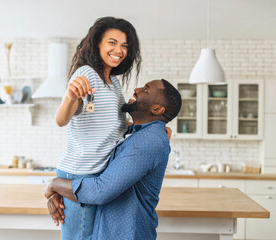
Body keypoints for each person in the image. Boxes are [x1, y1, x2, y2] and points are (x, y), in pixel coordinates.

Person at [46, 79, 182, 240]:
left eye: (145, 89)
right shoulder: (142, 135)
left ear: (157, 109)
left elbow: (101, 191)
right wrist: (59, 191)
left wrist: (54, 185)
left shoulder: (149, 140)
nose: (137, 90)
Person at [53, 16, 141, 240]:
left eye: (124, 46)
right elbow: (62, 119)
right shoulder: (86, 74)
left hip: (96, 176)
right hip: (81, 173)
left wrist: (152, 129)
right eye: (112, 42)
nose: (119, 50)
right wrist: (71, 96)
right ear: (98, 44)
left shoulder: (113, 82)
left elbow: (116, 128)